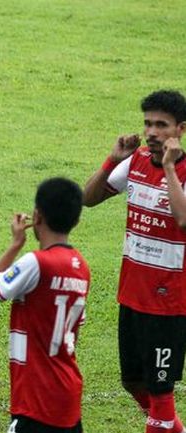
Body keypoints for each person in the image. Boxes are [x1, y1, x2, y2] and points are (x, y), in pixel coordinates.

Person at [84, 90, 186, 433]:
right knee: (133, 382)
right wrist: (112, 160)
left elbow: (183, 219)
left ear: (180, 130)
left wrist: (170, 167)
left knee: (160, 392)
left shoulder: (183, 170)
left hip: (169, 302)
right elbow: (89, 198)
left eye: (162, 125)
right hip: (131, 294)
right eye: (148, 124)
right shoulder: (137, 160)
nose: (152, 132)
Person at [0, 178, 90, 433]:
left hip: (36, 399)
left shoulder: (36, 263)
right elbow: (73, 336)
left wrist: (15, 245)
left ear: (37, 216)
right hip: (68, 395)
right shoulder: (81, 266)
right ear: (76, 220)